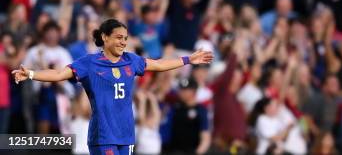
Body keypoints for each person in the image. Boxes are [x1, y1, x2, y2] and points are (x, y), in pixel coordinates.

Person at [12, 18, 213, 155]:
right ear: (105, 38)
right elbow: (58, 74)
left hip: (126, 134)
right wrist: (30, 73)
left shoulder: (131, 61)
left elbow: (159, 64)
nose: (123, 42)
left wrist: (189, 59)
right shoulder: (89, 63)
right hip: (103, 134)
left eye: (125, 38)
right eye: (118, 37)